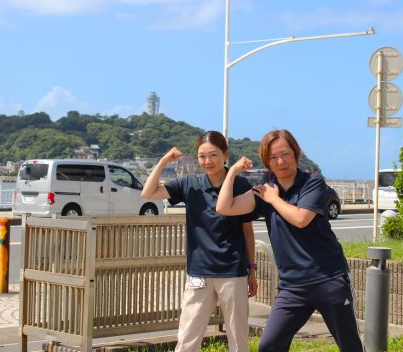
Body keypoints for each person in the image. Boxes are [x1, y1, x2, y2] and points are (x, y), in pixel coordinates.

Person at [216, 129, 363, 352]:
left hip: (329, 278)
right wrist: (233, 171)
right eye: (273, 157)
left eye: (286, 154)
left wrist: (273, 199)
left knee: (349, 345)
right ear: (267, 162)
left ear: (296, 154)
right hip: (292, 287)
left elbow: (301, 218)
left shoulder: (312, 182)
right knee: (269, 346)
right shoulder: (264, 192)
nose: (281, 161)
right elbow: (224, 207)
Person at [141, 130, 258, 352]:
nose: (207, 161)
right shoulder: (189, 184)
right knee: (187, 337)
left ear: (225, 154)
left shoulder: (241, 185)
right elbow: (148, 193)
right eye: (202, 156)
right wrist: (164, 160)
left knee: (238, 338)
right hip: (199, 272)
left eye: (213, 155)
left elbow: (247, 230)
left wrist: (252, 268)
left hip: (233, 271)